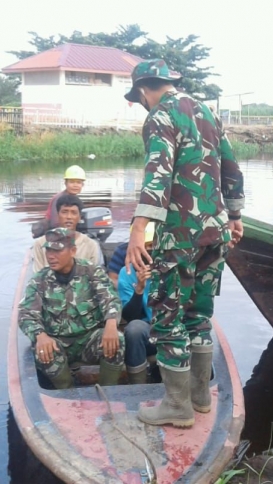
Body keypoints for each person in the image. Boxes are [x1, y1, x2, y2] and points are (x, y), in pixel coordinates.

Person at [124, 59, 245, 428]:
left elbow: (158, 174)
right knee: (199, 314)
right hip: (216, 231)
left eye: (139, 97)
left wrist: (137, 228)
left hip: (179, 235)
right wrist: (236, 216)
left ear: (144, 90)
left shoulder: (159, 116)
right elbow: (231, 168)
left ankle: (177, 407)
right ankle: (199, 398)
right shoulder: (207, 112)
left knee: (168, 316)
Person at [18, 228, 125, 389]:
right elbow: (26, 314)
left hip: (88, 340)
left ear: (73, 251)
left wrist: (111, 324)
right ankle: (66, 392)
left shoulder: (91, 272)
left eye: (57, 250)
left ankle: (108, 392)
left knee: (117, 338)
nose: (50, 256)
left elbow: (110, 299)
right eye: (48, 250)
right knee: (43, 349)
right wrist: (40, 335)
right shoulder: (39, 280)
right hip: (57, 342)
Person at [117, 223, 157, 384]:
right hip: (149, 331)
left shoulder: (173, 267)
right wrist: (139, 289)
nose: (149, 251)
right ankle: (138, 386)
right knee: (134, 329)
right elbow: (129, 316)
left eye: (152, 246)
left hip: (172, 325)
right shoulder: (126, 273)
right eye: (145, 246)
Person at [32, 194, 103, 272]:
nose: (69, 217)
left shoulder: (91, 245)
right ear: (58, 215)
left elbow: (94, 276)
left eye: (74, 213)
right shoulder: (40, 244)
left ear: (79, 217)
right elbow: (37, 276)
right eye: (64, 212)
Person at [31, 165, 86, 237]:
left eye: (78, 182)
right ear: (65, 183)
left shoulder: (74, 199)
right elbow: (55, 223)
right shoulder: (59, 199)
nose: (75, 185)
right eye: (72, 182)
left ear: (83, 185)